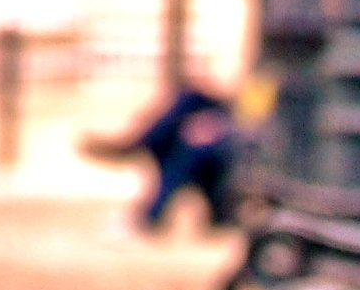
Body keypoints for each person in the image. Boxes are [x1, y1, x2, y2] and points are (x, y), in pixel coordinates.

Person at [81, 80, 244, 233]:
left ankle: (137, 145)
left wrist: (221, 127)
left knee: (187, 147)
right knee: (186, 116)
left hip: (235, 141)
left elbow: (251, 119)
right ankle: (140, 143)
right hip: (225, 122)